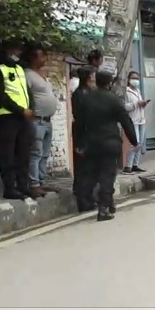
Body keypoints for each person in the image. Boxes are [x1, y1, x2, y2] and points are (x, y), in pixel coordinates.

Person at [73, 71, 138, 221]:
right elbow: (125, 121)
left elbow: (79, 123)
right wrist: (134, 140)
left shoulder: (87, 98)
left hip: (91, 142)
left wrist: (79, 143)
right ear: (110, 83)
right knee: (107, 175)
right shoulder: (113, 99)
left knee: (92, 173)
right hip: (110, 141)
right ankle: (103, 209)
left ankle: (99, 202)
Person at [0, 41, 36, 200]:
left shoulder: (19, 68)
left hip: (24, 118)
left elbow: (27, 92)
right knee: (7, 155)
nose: (18, 53)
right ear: (7, 50)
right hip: (8, 118)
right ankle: (9, 188)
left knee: (23, 154)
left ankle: (23, 186)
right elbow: (2, 96)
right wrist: (21, 110)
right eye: (15, 49)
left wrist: (31, 108)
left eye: (19, 50)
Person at [22, 46, 58, 197]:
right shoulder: (28, 75)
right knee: (35, 153)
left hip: (47, 121)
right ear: (33, 58)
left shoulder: (41, 74)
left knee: (44, 154)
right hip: (37, 120)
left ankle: (42, 181)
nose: (44, 59)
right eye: (41, 56)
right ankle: (34, 184)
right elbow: (26, 95)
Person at [71, 67, 98, 212]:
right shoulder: (80, 94)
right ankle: (84, 201)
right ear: (88, 78)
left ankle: (89, 197)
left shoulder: (89, 93)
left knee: (90, 170)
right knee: (84, 170)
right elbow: (81, 118)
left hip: (90, 134)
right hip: (84, 134)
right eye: (92, 77)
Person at [123, 70, 150, 173]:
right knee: (134, 143)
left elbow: (139, 104)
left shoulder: (138, 91)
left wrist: (143, 104)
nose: (135, 80)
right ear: (129, 79)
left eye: (137, 78)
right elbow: (125, 107)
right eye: (133, 78)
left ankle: (135, 164)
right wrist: (136, 104)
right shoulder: (126, 92)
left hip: (141, 119)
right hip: (132, 120)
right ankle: (128, 166)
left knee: (140, 143)